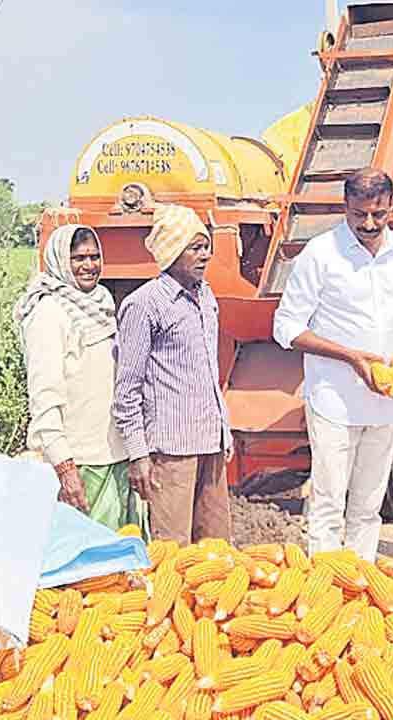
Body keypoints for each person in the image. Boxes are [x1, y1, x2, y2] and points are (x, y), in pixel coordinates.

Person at [273, 168, 393, 561]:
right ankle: (326, 589)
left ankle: (361, 587)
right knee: (327, 504)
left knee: (368, 506)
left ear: (391, 206)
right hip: (334, 400)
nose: (370, 224)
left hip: (386, 400)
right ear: (345, 207)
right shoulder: (322, 253)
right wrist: (351, 357)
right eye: (359, 215)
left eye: (379, 214)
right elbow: (286, 327)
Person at [113, 204, 232, 545]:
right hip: (171, 452)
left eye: (206, 246)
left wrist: (223, 427)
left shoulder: (206, 296)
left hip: (211, 443)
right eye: (195, 248)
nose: (205, 255)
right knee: (173, 553)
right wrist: (138, 454)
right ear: (172, 252)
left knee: (216, 550)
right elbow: (127, 392)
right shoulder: (144, 305)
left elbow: (209, 371)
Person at [15, 224, 136, 532]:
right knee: (88, 562)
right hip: (79, 460)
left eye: (95, 257)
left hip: (113, 452)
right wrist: (65, 468)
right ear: (59, 261)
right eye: (79, 258)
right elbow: (44, 398)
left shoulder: (102, 302)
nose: (89, 266)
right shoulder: (48, 314)